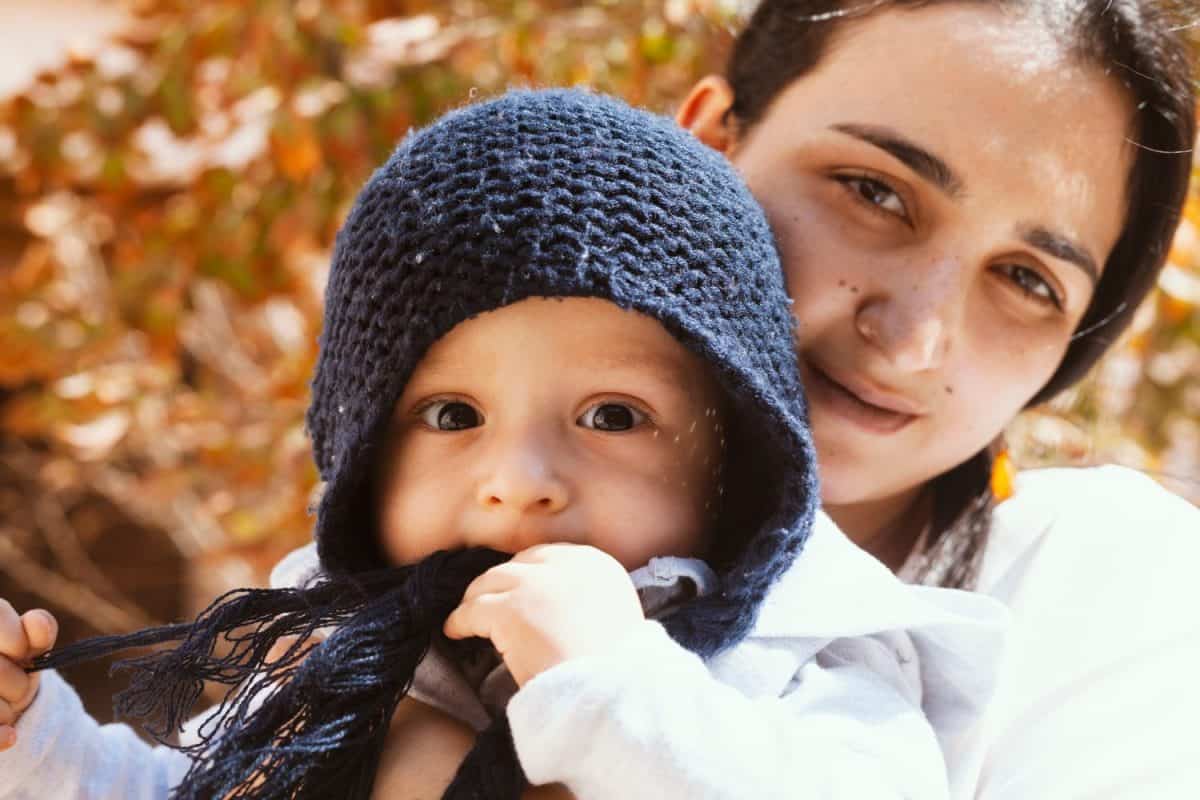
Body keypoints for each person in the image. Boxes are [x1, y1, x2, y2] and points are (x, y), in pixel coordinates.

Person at [0, 89, 1005, 799]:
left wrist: (617, 688)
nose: (517, 483)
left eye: (612, 415)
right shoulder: (336, 657)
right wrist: (33, 740)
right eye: (452, 416)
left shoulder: (802, 662)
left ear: (734, 465)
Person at [670, 0, 1200, 797]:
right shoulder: (441, 473)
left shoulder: (1097, 604)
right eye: (874, 193)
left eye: (1027, 280)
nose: (915, 340)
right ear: (708, 140)